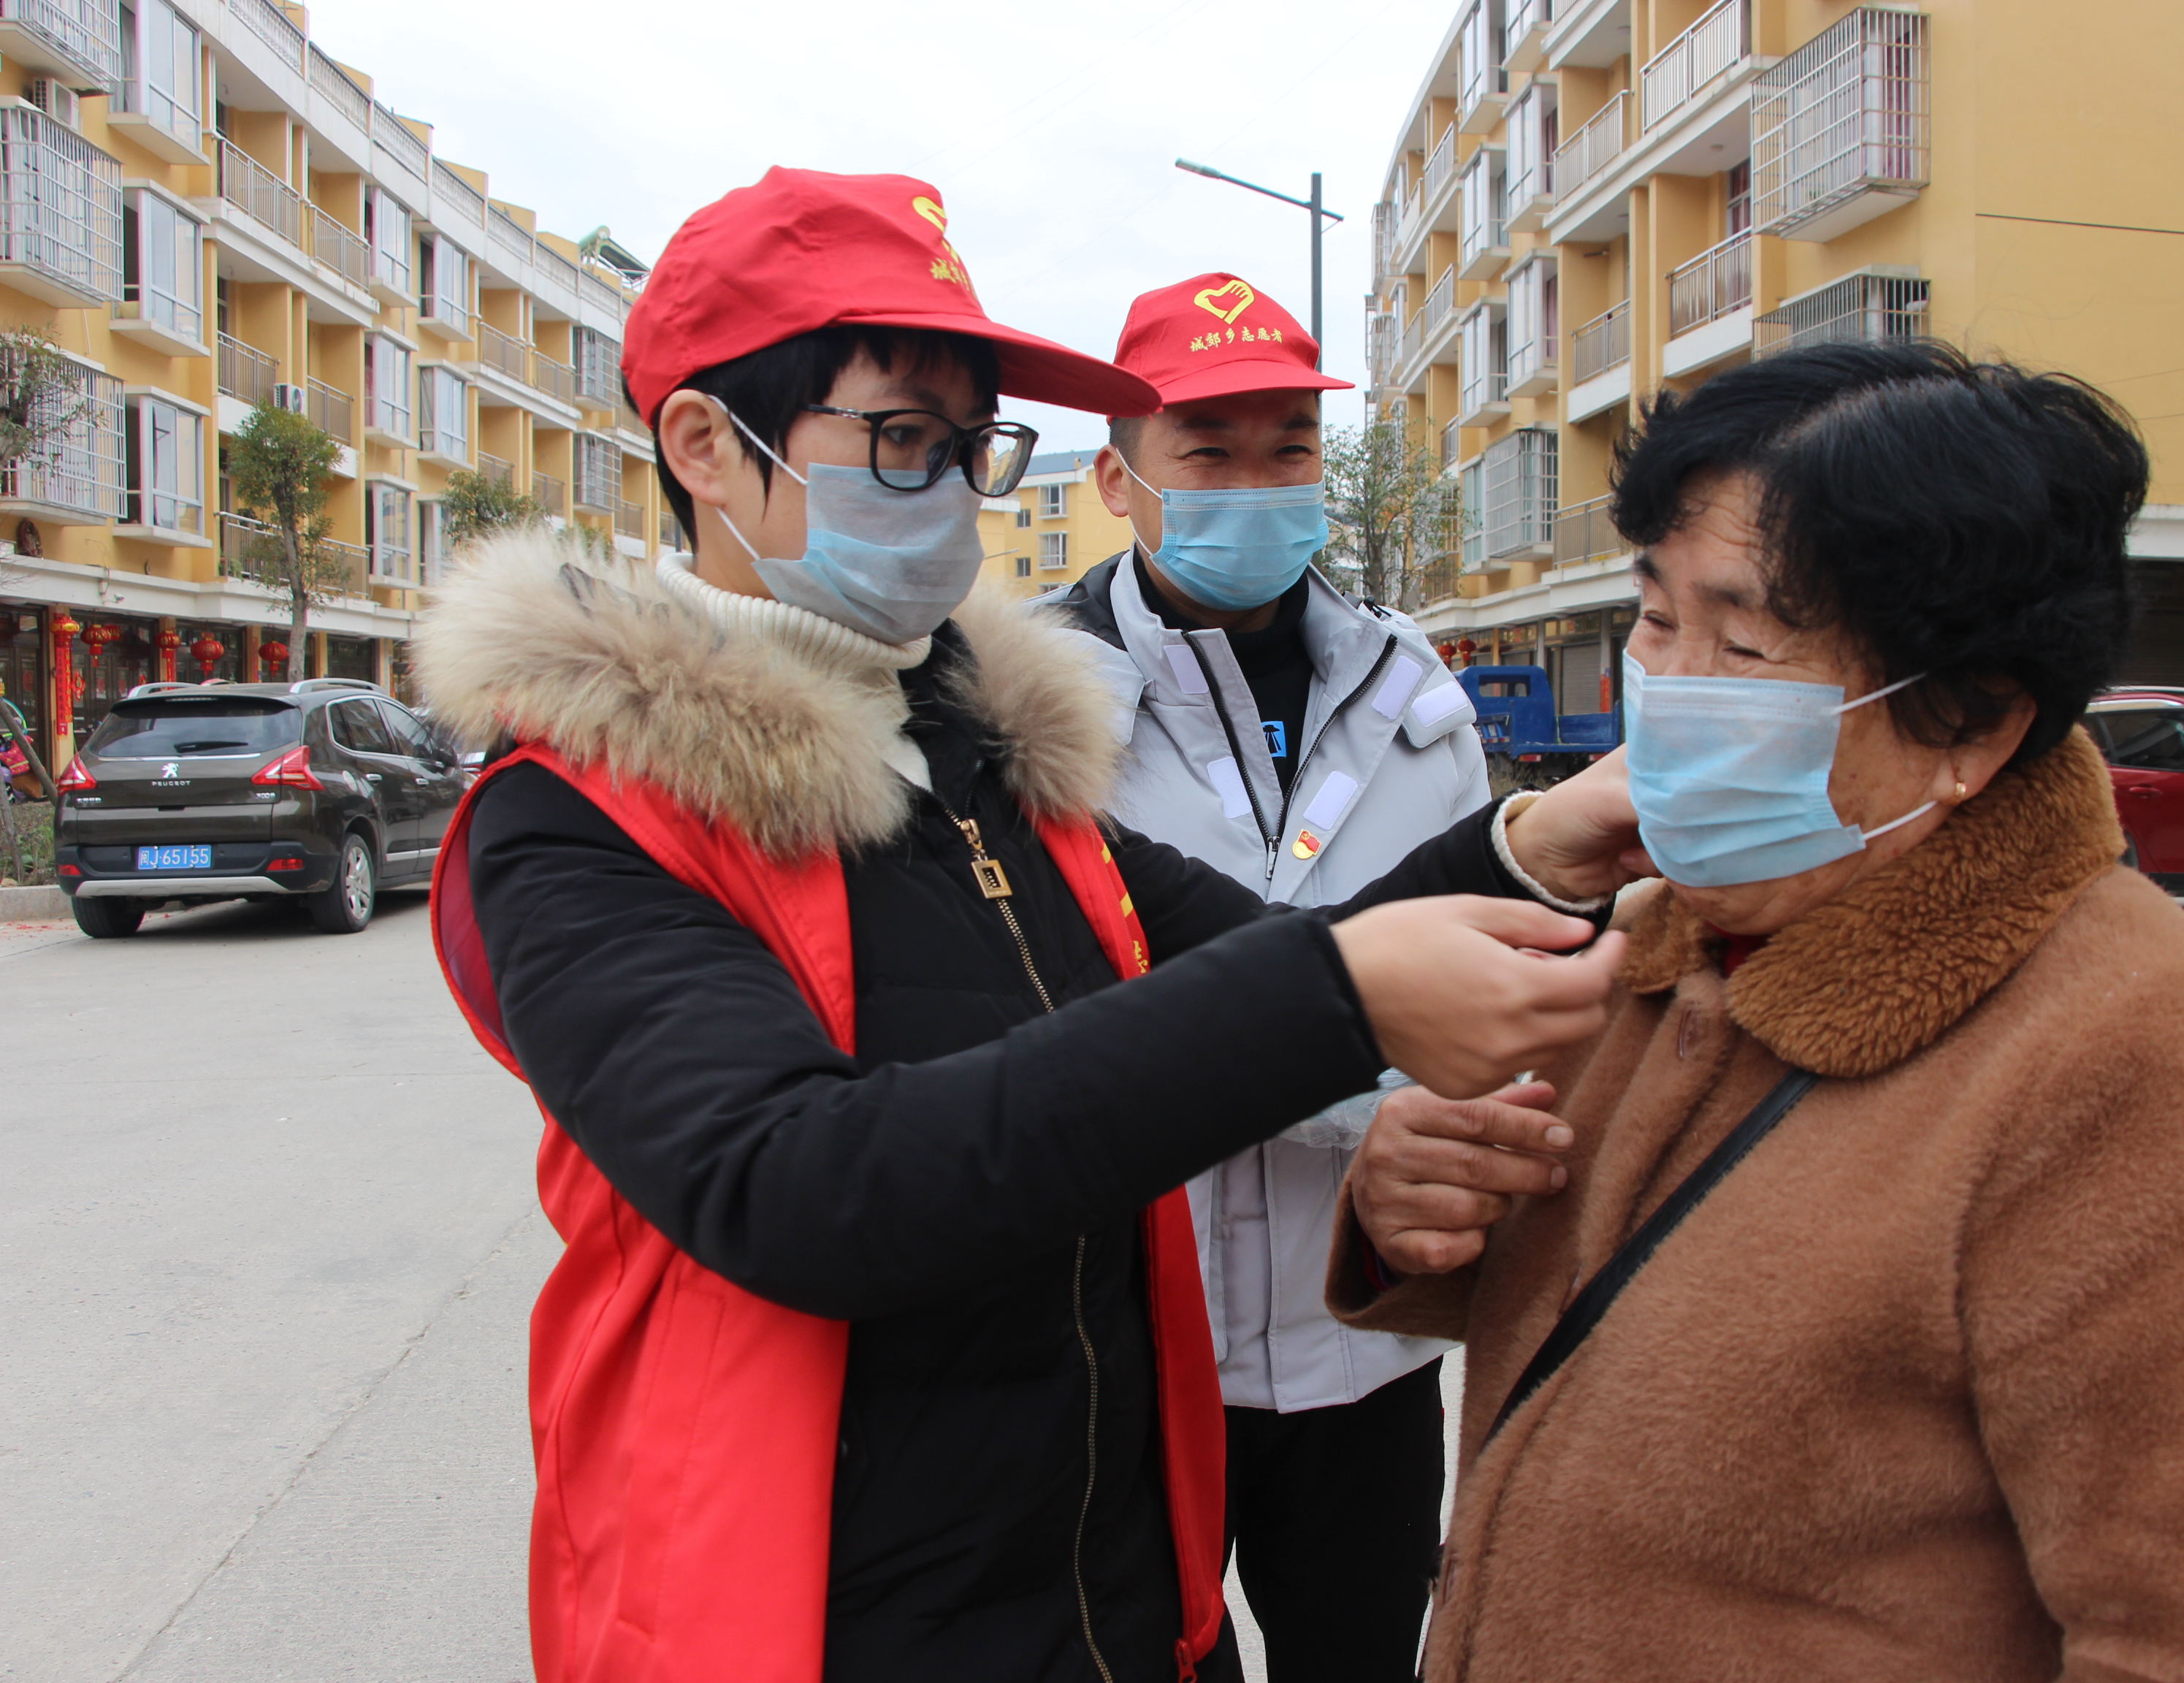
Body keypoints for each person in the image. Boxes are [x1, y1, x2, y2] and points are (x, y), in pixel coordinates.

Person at [417, 170, 1636, 1683]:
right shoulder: (576, 816)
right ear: (704, 446)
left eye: (969, 446)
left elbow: (1271, 950)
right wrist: (1335, 993)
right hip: (818, 1612)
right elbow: (796, 1185)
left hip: (1114, 1585)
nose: (950, 493)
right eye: (901, 439)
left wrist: (1535, 846)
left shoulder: (986, 758)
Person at [1330, 341, 2184, 1682]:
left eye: (1745, 644)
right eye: (1655, 618)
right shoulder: (1661, 938)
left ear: (1970, 727)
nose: (1672, 685)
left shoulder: (2160, 1075)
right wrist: (1414, 1207)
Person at [1038, 275, 1497, 1681]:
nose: (1256, 486)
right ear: (1118, 478)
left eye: (1288, 450)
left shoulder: (1414, 692)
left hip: (1364, 1333)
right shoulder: (1026, 705)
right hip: (1123, 1342)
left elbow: (1479, 961)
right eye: (1209, 453)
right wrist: (1335, 1061)